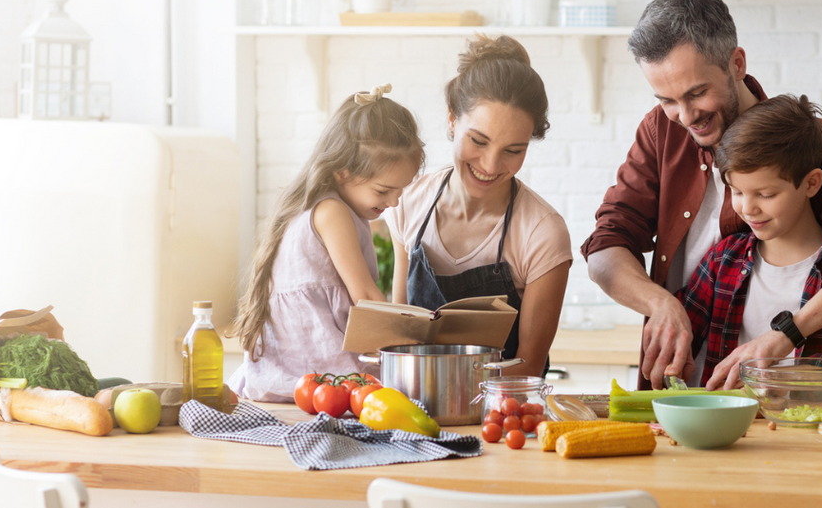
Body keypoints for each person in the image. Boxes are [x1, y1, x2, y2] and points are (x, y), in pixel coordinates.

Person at [581, 0, 822, 390]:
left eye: (696, 93)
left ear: (736, 63)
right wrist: (660, 304)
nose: (685, 116)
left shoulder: (811, 144)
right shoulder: (661, 130)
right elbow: (605, 246)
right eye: (666, 100)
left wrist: (787, 338)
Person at [386, 34, 572, 378]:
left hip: (501, 416)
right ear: (452, 120)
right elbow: (400, 337)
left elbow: (529, 367)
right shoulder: (407, 203)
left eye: (513, 151)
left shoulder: (542, 232)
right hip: (413, 410)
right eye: (478, 140)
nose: (490, 164)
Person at [679, 94, 822, 389]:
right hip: (726, 427)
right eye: (737, 192)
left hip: (810, 427)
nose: (748, 208)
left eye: (766, 195)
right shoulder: (722, 259)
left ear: (811, 183)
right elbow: (683, 333)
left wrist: (781, 380)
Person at [228, 85, 425, 402]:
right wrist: (408, 345)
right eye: (383, 190)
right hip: (316, 366)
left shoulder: (329, 205)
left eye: (400, 191)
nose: (394, 201)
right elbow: (364, 296)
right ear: (342, 172)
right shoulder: (332, 212)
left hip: (296, 369)